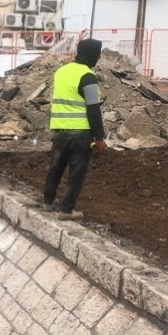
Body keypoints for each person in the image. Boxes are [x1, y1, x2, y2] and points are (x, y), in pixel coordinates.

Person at [43, 38, 111, 218]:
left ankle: (47, 202)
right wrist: (99, 138)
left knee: (55, 167)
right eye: (97, 55)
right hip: (80, 134)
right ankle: (67, 209)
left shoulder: (61, 72)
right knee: (77, 172)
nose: (98, 59)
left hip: (59, 131)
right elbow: (93, 109)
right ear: (92, 55)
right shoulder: (88, 76)